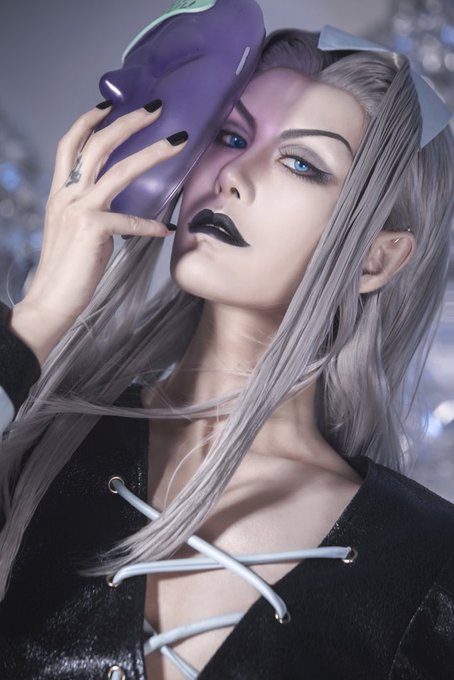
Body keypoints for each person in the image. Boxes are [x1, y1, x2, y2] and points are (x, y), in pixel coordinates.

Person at [1, 24, 454, 680]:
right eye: (232, 137)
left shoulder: (427, 562)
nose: (233, 176)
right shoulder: (38, 443)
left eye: (301, 164)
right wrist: (38, 321)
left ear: (376, 259)